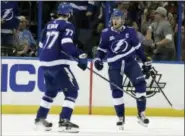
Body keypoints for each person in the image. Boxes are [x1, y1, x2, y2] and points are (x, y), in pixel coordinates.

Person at [94, 9, 153, 130]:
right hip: (114, 65)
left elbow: (138, 48)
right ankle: (120, 117)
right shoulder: (106, 33)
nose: (115, 21)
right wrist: (98, 59)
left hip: (130, 62)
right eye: (113, 19)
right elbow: (101, 50)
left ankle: (141, 113)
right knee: (116, 90)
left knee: (140, 84)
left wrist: (145, 60)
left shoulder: (130, 31)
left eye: (117, 18)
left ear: (123, 20)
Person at [34, 3, 87, 133]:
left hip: (44, 63)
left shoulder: (49, 24)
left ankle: (40, 119)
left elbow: (41, 44)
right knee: (72, 92)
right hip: (58, 63)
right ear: (69, 14)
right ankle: (64, 121)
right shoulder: (68, 25)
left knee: (51, 91)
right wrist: (79, 54)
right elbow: (66, 43)